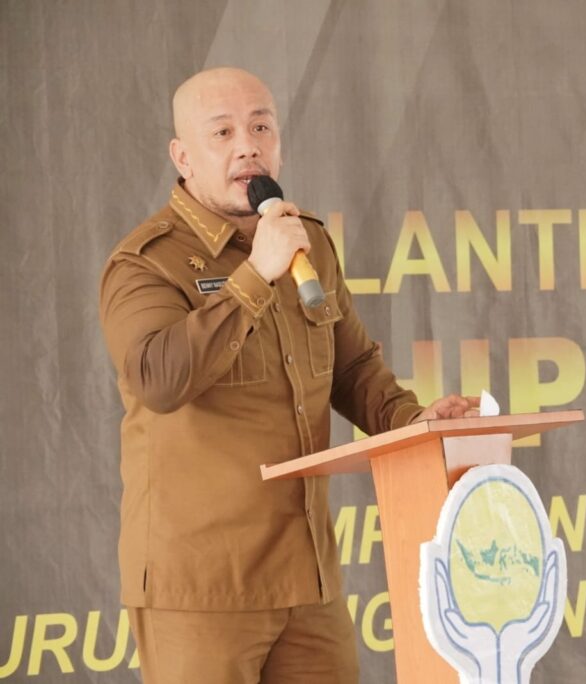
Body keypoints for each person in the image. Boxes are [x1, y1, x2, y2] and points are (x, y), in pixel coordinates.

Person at [99, 66, 478, 683]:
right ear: (183, 157)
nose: (247, 146)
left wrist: (415, 422)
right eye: (222, 132)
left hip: (308, 581)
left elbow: (352, 367)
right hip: (202, 588)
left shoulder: (310, 245)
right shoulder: (146, 261)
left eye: (261, 127)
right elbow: (158, 379)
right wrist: (255, 276)